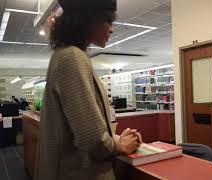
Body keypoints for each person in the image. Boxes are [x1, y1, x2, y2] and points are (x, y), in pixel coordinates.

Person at [35, 0, 142, 180]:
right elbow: (92, 139)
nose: (111, 28)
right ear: (88, 20)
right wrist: (120, 145)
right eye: (108, 21)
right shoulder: (73, 58)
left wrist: (115, 139)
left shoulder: (63, 54)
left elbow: (78, 128)